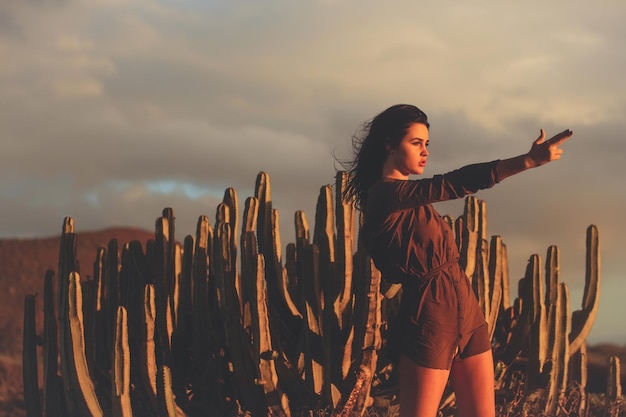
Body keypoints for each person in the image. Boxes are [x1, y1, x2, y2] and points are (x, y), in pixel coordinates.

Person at [341, 104, 573, 417]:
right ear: (389, 146)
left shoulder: (408, 196)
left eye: (427, 144)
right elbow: (453, 183)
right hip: (430, 314)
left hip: (466, 308)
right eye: (415, 143)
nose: (424, 151)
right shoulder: (384, 195)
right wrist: (527, 161)